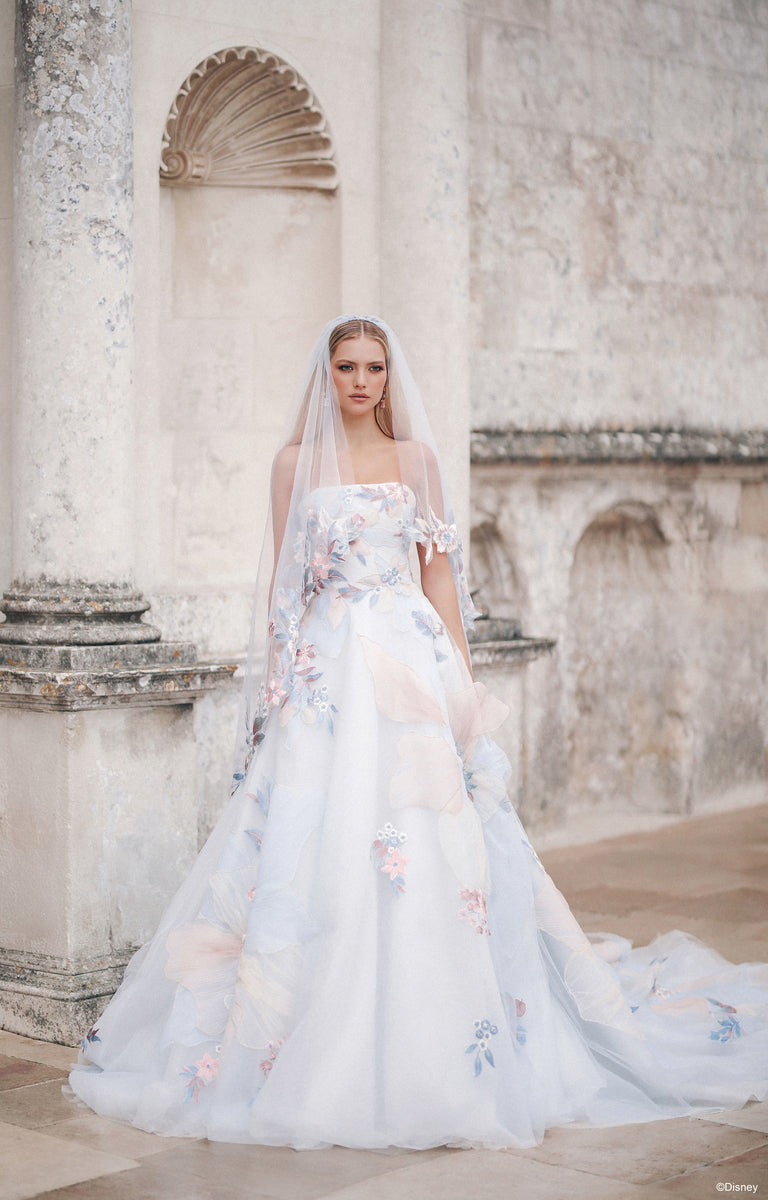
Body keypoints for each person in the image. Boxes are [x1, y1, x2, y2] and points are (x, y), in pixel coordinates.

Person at [69, 315, 768, 1149]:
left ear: (388, 377)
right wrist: (279, 690)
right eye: (347, 367)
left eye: (374, 368)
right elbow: (285, 590)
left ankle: (438, 1031)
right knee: (314, 839)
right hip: (327, 674)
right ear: (326, 374)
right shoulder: (292, 465)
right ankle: (304, 1035)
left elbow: (438, 576)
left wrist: (461, 686)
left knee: (429, 836)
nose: (361, 381)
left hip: (405, 657)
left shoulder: (416, 461)